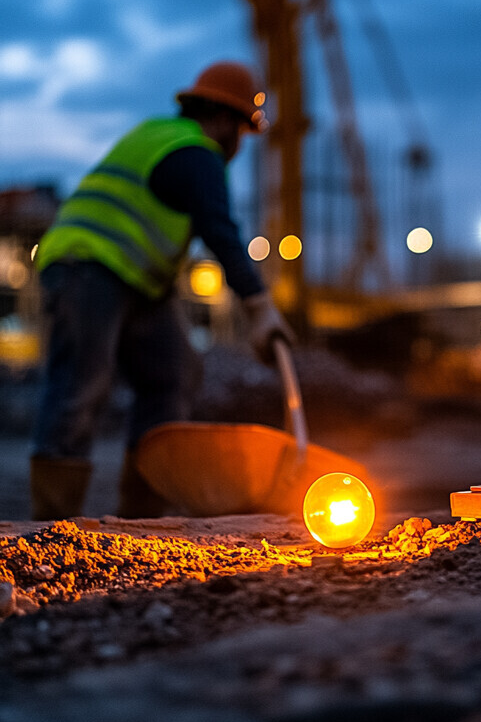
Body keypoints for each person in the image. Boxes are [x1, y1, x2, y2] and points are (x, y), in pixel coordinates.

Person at [30, 61, 294, 520]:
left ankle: (143, 518)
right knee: (81, 386)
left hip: (138, 282)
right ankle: (48, 529)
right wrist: (260, 307)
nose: (239, 145)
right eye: (241, 131)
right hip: (86, 265)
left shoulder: (161, 138)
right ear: (226, 120)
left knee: (173, 373)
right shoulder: (194, 154)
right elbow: (221, 234)